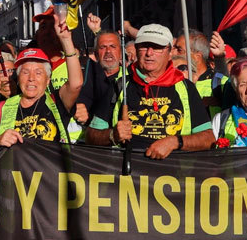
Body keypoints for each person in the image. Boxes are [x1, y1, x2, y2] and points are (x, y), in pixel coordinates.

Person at [86, 24, 213, 157]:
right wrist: (112, 135)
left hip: (174, 169)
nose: (149, 53)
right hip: (128, 169)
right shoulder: (119, 85)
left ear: (170, 52)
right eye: (144, 46)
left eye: (157, 47)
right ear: (136, 49)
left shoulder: (186, 87)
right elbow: (90, 136)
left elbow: (208, 138)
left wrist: (175, 142)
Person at [0, 18, 83, 147]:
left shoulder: (57, 102)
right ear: (18, 78)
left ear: (48, 80)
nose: (31, 78)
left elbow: (76, 84)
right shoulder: (2, 108)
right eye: (25, 72)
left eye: (38, 73)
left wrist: (66, 40)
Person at [76, 30, 127, 127]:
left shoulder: (129, 79)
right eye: (102, 47)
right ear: (95, 54)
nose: (108, 51)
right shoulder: (85, 75)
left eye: (113, 46)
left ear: (121, 53)